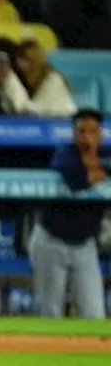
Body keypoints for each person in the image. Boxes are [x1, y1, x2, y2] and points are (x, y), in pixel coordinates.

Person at [30, 109, 109, 319]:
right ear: (74, 133)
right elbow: (78, 180)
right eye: (82, 131)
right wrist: (95, 170)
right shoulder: (64, 154)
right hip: (51, 241)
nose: (87, 138)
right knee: (50, 312)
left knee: (94, 313)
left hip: (84, 245)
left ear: (101, 134)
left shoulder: (107, 155)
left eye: (93, 132)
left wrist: (97, 167)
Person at [0, 40, 77, 118]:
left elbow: (28, 111)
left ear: (32, 61)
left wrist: (10, 79)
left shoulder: (53, 80)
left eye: (23, 61)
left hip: (63, 124)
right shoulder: (35, 82)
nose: (21, 67)